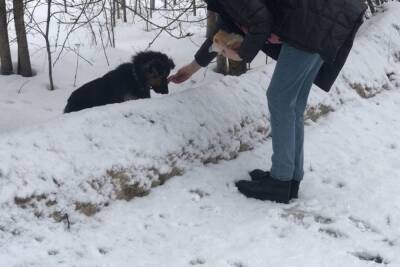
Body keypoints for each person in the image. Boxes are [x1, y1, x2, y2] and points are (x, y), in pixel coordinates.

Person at [168, 0, 367, 204]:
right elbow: (227, 25)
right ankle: (290, 177)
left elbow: (260, 21)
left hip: (317, 18)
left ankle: (280, 181)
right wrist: (191, 69)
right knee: (293, 102)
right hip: (327, 16)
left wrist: (240, 54)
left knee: (280, 98)